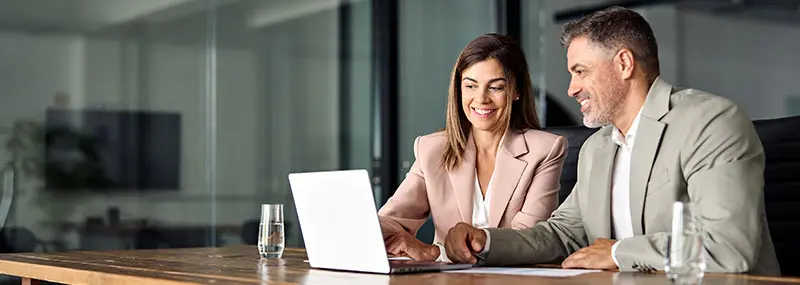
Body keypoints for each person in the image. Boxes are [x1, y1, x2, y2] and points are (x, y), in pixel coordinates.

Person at [444, 7, 780, 276]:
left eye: (580, 71)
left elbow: (728, 247)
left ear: (623, 64)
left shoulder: (710, 122)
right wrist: (485, 240)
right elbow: (561, 233)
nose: (571, 89)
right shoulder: (598, 147)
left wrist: (618, 253)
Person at [378, 33, 568, 262]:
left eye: (495, 87)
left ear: (516, 91)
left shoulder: (545, 149)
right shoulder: (432, 149)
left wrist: (437, 252)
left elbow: (528, 241)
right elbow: (393, 220)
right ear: (459, 90)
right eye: (470, 86)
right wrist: (364, 226)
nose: (481, 98)